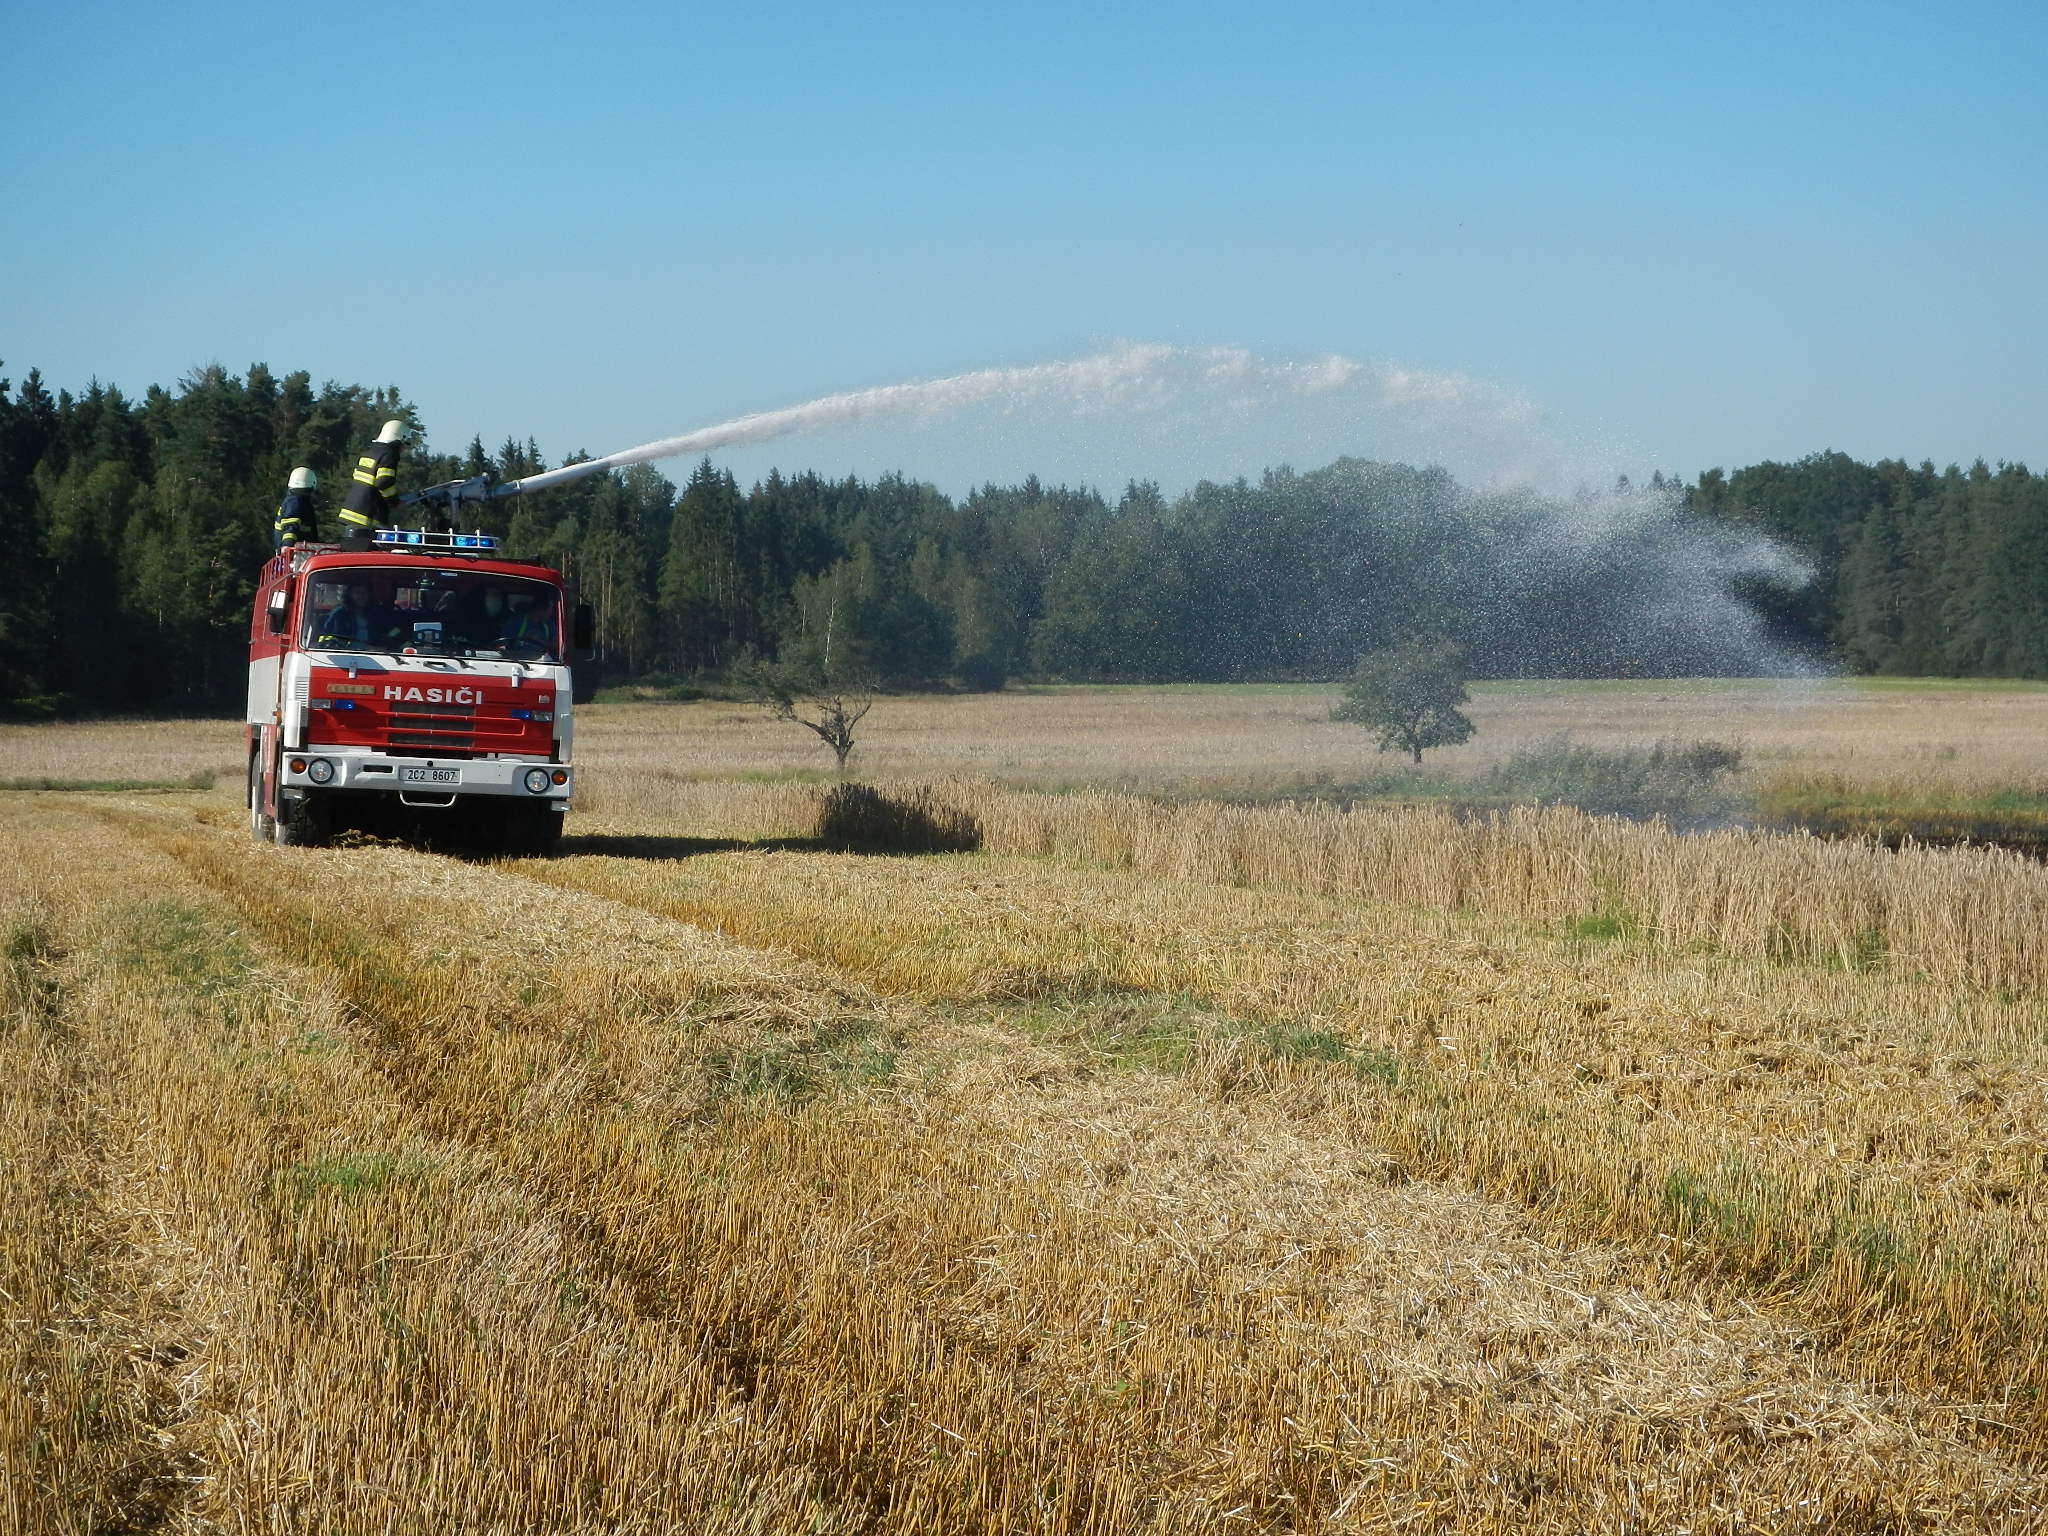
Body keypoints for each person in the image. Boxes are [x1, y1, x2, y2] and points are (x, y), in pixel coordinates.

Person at [336, 420, 406, 551]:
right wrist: (395, 502)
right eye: (404, 444)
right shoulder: (389, 455)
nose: (404, 449)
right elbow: (383, 482)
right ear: (398, 441)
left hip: (352, 512)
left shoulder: (370, 452)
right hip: (367, 517)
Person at [315, 580, 394, 649]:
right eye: (357, 593)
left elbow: (385, 636)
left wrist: (382, 646)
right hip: (347, 658)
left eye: (364, 593)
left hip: (377, 658)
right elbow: (328, 641)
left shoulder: (375, 615)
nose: (361, 596)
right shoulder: (338, 614)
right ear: (349, 595)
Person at [273, 467, 321, 550]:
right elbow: (290, 524)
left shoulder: (296, 501)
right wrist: (287, 544)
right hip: (294, 553)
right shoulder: (295, 501)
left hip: (300, 551)